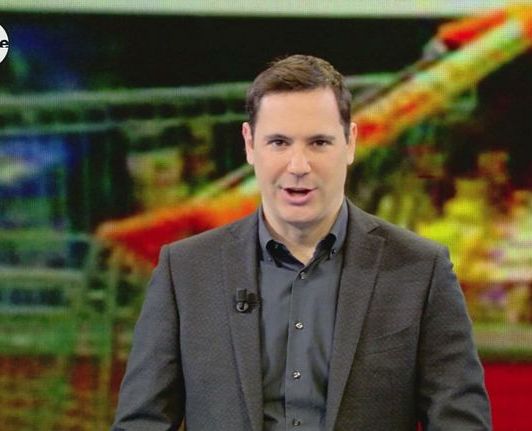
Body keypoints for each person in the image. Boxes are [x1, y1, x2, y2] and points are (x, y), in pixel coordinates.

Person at [112, 54, 491, 431]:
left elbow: (460, 422)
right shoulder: (186, 272)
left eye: (319, 143)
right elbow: (141, 423)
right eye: (278, 142)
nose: (298, 166)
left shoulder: (421, 270)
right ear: (249, 145)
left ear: (351, 143)